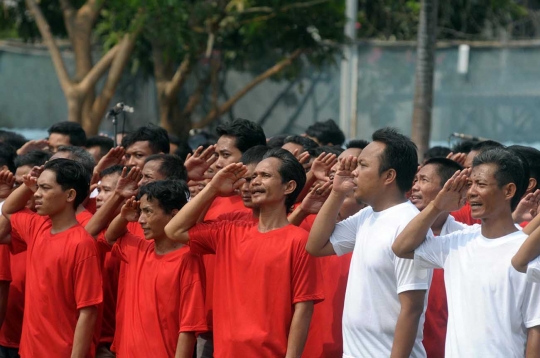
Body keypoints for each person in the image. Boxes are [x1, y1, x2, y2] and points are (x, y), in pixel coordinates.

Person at [164, 148, 323, 357]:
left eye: (265, 176)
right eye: (254, 176)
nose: (255, 182)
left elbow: (303, 309)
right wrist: (212, 188)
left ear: (289, 186)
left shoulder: (299, 241)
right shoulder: (228, 230)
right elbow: (173, 230)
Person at [392, 148, 540, 357]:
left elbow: (536, 329)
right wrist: (437, 206)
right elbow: (401, 248)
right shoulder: (459, 242)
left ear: (508, 191)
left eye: (481, 184)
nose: (471, 192)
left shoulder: (528, 252)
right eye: (469, 184)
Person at [306, 127, 430, 357]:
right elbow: (315, 246)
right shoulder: (368, 215)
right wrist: (337, 193)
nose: (354, 172)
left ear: (389, 176)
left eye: (363, 166)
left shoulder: (410, 226)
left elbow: (412, 309)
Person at [1, 159, 102, 357]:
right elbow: (8, 209)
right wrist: (27, 186)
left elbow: (88, 312)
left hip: (60, 352)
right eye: (37, 188)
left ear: (70, 195)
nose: (36, 194)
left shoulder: (82, 244)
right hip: (30, 350)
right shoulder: (38, 227)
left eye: (45, 188)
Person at [101, 180, 207, 357]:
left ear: (174, 215)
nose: (141, 220)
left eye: (148, 212)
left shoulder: (188, 259)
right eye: (140, 211)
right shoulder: (138, 249)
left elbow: (188, 328)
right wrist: (123, 216)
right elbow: (110, 237)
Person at [409, 158, 466, 358]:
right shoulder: (395, 231)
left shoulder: (465, 238)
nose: (415, 187)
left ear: (448, 188)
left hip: (449, 347)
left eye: (423, 180)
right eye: (415, 180)